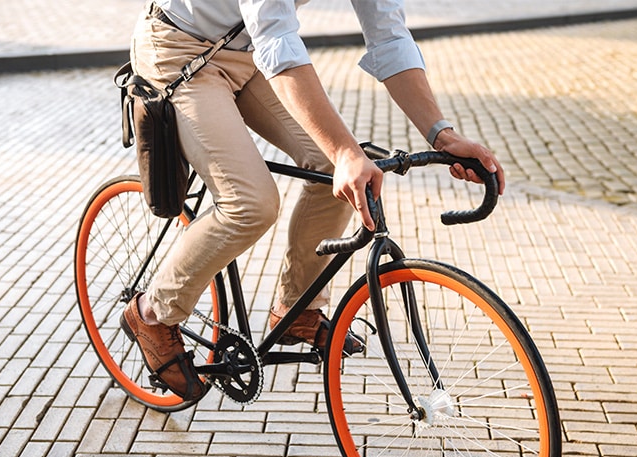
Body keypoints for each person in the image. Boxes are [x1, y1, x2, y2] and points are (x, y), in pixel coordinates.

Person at [120, 0, 506, 401]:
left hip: (245, 52)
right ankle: (151, 311)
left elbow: (389, 37)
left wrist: (441, 134)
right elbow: (278, 39)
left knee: (334, 173)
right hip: (177, 50)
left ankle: (294, 311)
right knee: (251, 203)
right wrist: (344, 152)